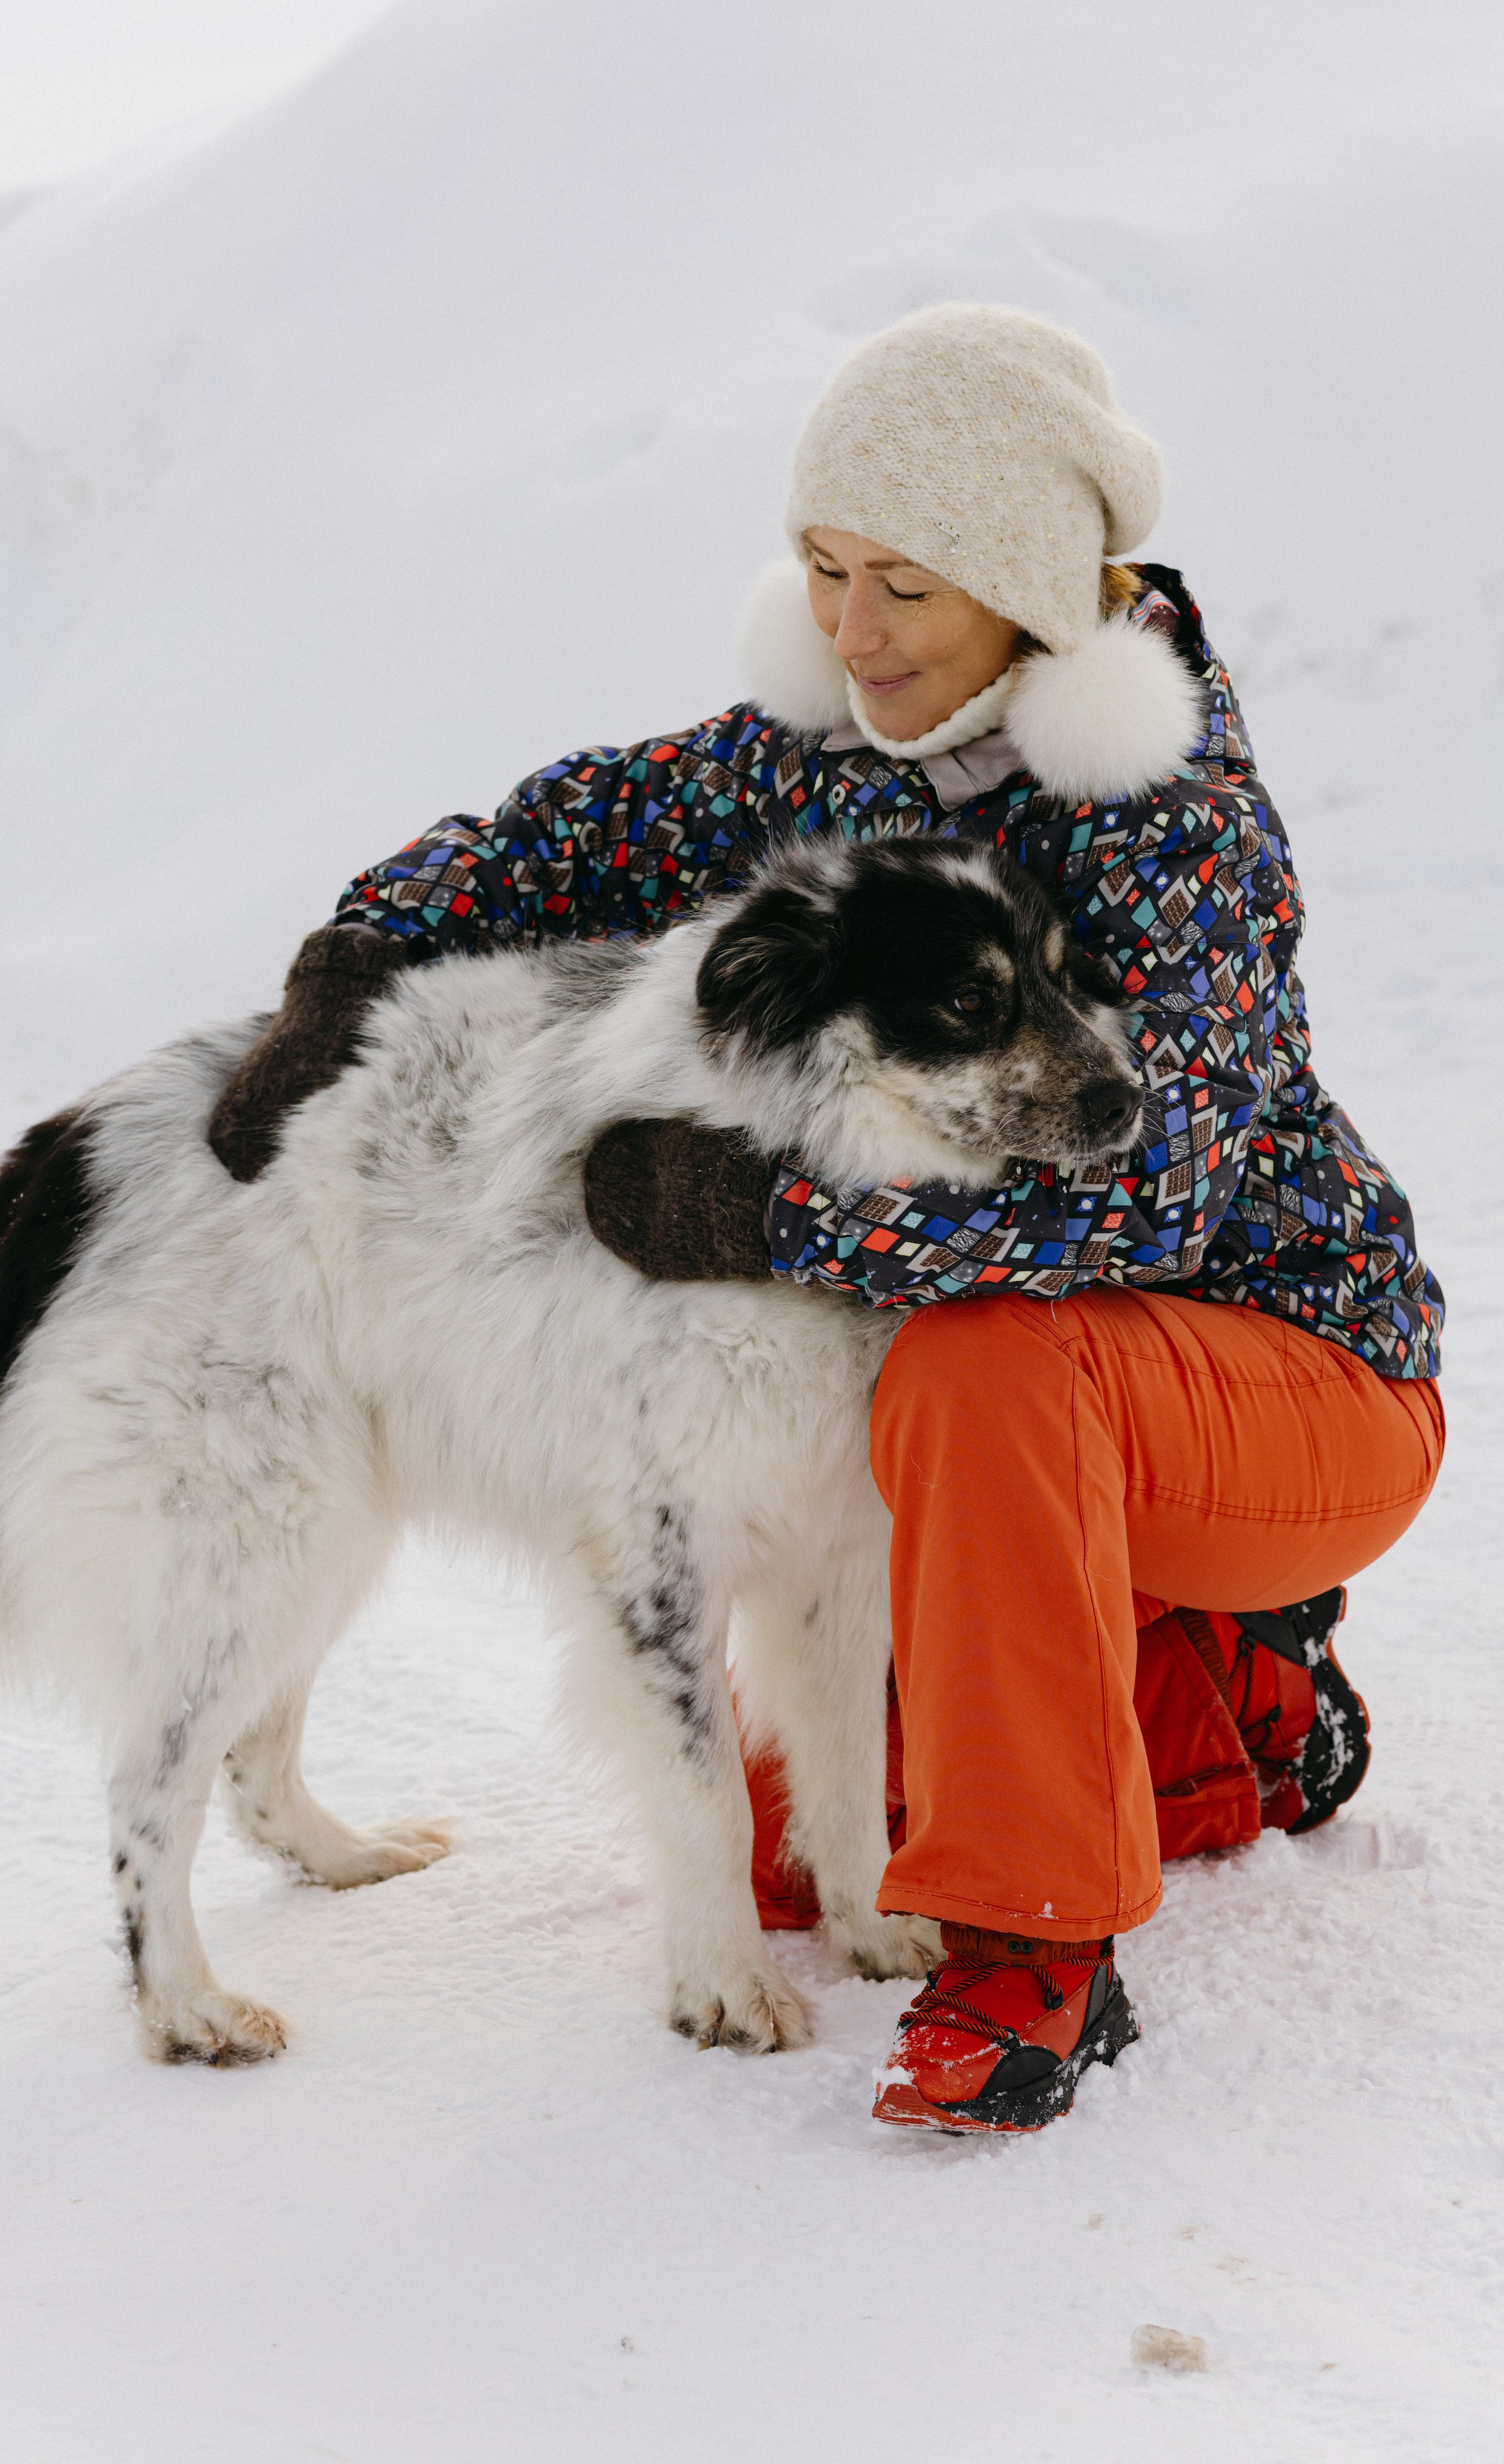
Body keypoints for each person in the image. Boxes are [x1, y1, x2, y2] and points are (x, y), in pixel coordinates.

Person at [208, 306, 1444, 2133]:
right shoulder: (838, 743)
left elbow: (1150, 1201)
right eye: (822, 570)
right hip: (1040, 1391)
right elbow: (565, 829)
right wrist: (356, 959)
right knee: (810, 1847)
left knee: (974, 1367)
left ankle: (1032, 1954)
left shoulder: (1176, 827)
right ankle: (1234, 1707)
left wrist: (772, 1220)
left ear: (1030, 589)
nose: (850, 632)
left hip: (1288, 1375)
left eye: (905, 590)